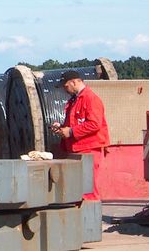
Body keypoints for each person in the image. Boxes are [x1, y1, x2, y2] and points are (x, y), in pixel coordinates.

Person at [51, 70, 110, 201]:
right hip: (78, 150)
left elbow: (95, 124)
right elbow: (75, 123)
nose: (65, 89)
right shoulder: (75, 100)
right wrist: (61, 128)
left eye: (65, 86)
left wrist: (70, 132)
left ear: (74, 82)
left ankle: (90, 218)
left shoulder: (90, 98)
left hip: (89, 150)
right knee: (81, 188)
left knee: (88, 190)